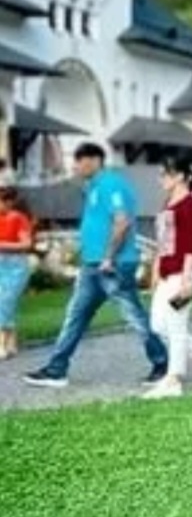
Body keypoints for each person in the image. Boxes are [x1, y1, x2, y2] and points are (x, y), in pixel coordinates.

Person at [24, 145, 168, 390]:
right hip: (92, 266)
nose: (75, 167)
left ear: (93, 160)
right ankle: (56, 370)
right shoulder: (93, 186)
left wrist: (108, 257)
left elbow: (122, 221)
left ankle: (162, 364)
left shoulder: (110, 184)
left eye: (78, 161)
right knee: (75, 317)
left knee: (134, 316)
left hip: (113, 265)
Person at [145, 158, 192, 398]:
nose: (160, 179)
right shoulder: (168, 203)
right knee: (158, 324)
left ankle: (174, 379)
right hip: (167, 272)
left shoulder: (190, 204)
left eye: (165, 174)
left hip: (186, 272)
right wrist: (155, 271)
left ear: (180, 176)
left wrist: (186, 278)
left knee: (176, 324)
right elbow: (162, 243)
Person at [0, 179, 36, 359]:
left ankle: (1, 344)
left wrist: (2, 245)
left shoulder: (17, 218)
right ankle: (11, 344)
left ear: (9, 202)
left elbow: (26, 244)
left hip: (15, 266)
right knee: (7, 304)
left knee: (4, 303)